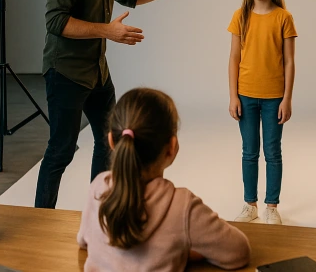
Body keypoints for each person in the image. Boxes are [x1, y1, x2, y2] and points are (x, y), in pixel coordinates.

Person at [36, 0, 191, 209]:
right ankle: (42, 216)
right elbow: (55, 21)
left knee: (110, 143)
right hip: (66, 72)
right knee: (61, 150)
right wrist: (108, 31)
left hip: (97, 72)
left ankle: (99, 209)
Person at [77, 88, 251, 271]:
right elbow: (239, 252)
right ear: (172, 147)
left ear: (112, 141)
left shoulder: (98, 187)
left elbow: (83, 240)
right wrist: (183, 251)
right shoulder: (182, 207)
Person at [227, 0, 297, 225]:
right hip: (245, 95)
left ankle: (271, 206)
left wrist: (287, 99)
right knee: (249, 151)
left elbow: (289, 61)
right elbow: (234, 58)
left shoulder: (284, 18)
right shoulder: (240, 16)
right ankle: (250, 204)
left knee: (272, 151)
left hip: (274, 98)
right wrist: (233, 95)